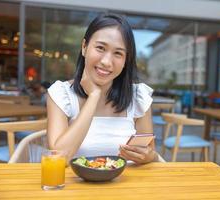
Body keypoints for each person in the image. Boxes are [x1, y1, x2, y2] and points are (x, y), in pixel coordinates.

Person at [47, 13, 158, 164]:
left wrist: (150, 157)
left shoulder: (138, 97)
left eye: (118, 53)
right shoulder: (61, 94)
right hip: (77, 186)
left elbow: (150, 155)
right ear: (84, 47)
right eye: (100, 48)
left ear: (126, 60)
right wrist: (93, 96)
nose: (106, 61)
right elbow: (59, 158)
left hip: (127, 185)